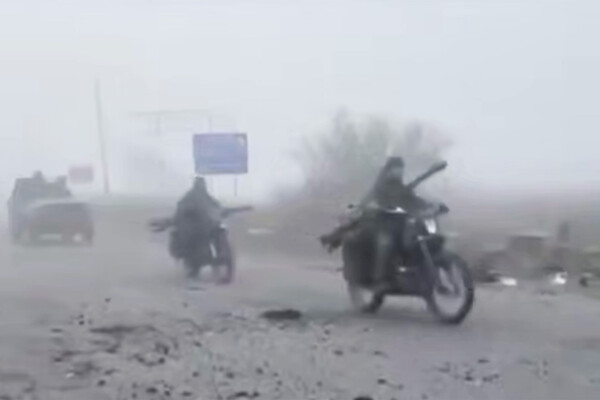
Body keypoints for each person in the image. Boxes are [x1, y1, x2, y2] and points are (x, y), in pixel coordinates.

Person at [321, 156, 423, 293]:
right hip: (382, 225)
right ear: (389, 170)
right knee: (385, 244)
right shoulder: (380, 187)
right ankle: (380, 279)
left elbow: (413, 200)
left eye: (401, 168)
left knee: (417, 240)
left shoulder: (401, 187)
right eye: (396, 168)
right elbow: (368, 201)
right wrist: (373, 207)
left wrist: (431, 206)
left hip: (399, 225)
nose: (399, 171)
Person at [172, 176, 222, 259]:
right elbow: (181, 207)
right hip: (194, 226)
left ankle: (219, 253)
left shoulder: (204, 195)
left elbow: (215, 204)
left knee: (217, 231)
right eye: (200, 184)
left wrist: (219, 209)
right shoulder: (190, 196)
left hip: (204, 224)